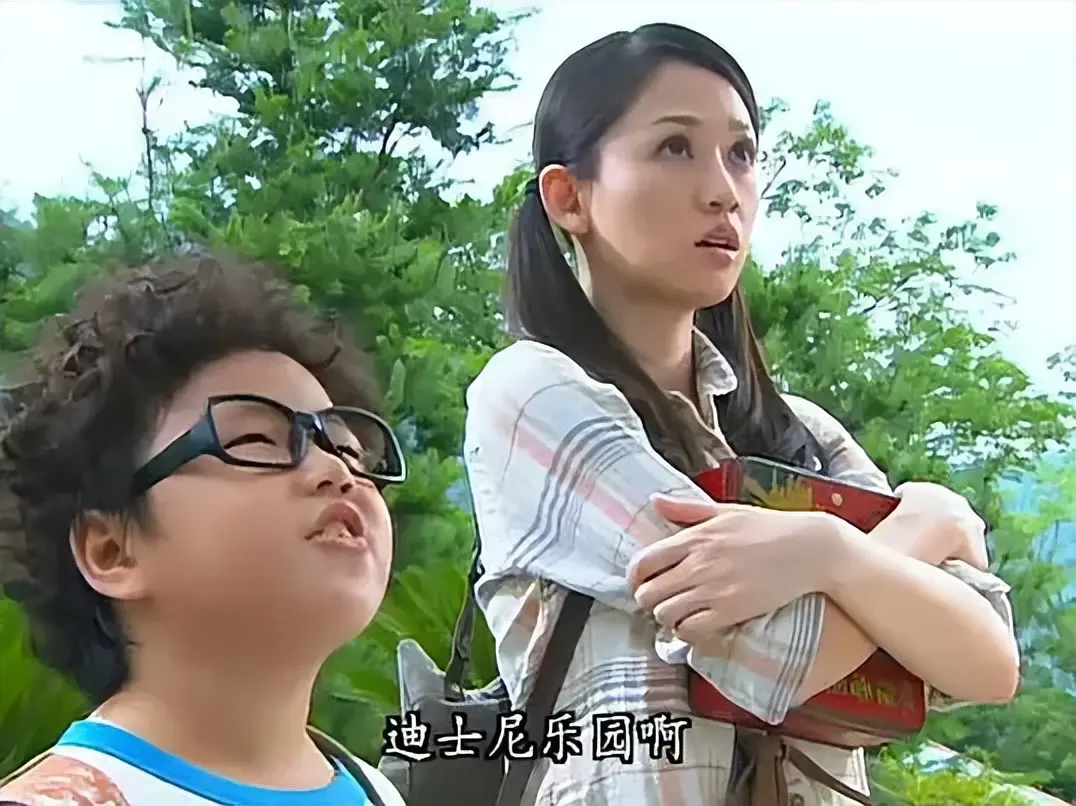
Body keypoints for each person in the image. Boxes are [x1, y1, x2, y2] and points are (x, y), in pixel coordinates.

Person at [462, 23, 1019, 806]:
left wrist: (828, 556)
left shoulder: (801, 431)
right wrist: (917, 528)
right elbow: (776, 658)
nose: (724, 190)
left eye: (742, 153)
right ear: (568, 197)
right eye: (674, 148)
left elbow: (987, 661)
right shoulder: (531, 396)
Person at [0, 255, 407, 806]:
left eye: (349, 449)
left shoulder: (374, 790)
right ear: (113, 550)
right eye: (255, 441)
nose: (337, 471)